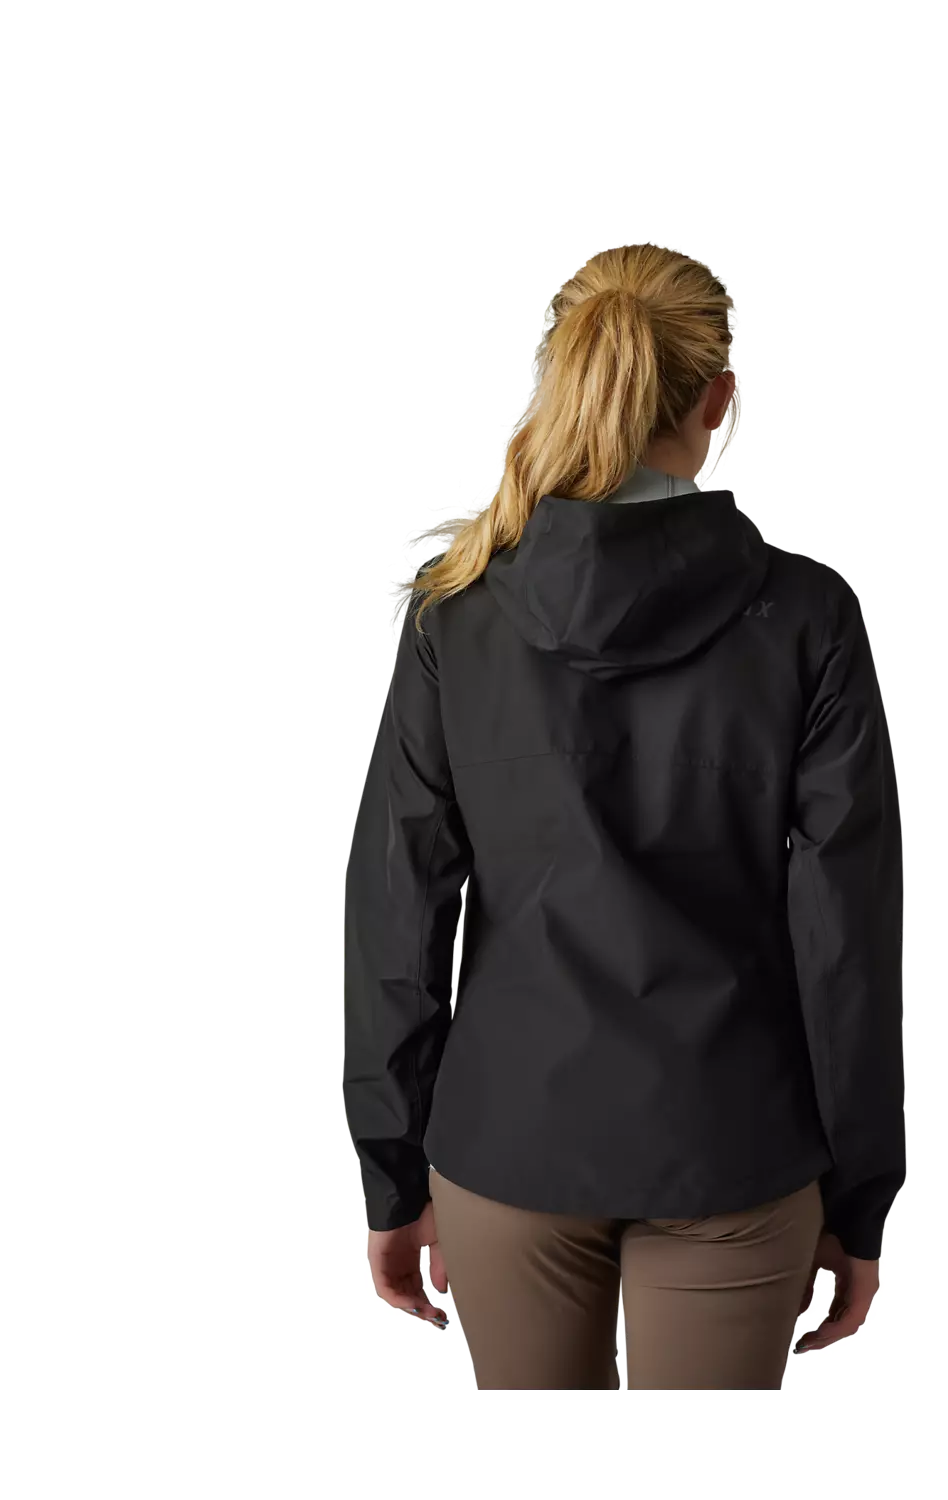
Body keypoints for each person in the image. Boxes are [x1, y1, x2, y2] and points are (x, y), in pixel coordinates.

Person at [342, 239, 906, 1389]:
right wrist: (860, 1200)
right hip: (736, 1147)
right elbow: (846, 937)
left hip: (508, 1146)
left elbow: (397, 916)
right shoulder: (809, 617)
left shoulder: (459, 615)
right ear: (716, 398)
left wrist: (390, 1177)